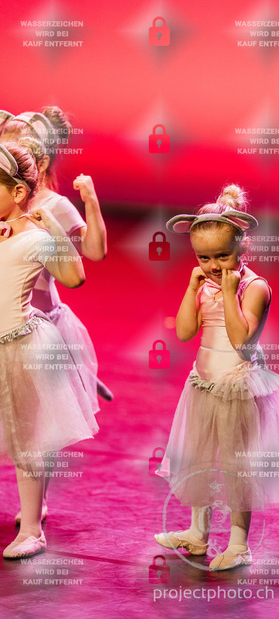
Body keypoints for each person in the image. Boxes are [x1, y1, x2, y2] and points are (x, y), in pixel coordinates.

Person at [154, 184, 279, 571]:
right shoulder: (204, 283)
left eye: (222, 256)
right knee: (199, 458)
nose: (213, 266)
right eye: (203, 257)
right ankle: (198, 533)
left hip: (237, 387)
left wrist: (228, 294)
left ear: (243, 248)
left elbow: (242, 342)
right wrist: (192, 288)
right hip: (203, 383)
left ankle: (239, 544)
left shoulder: (255, 288)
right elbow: (185, 332)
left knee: (237, 467)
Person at [1, 108, 111, 524]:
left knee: (37, 422)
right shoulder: (6, 204)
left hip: (40, 323)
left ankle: (35, 508)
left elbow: (92, 254)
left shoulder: (52, 205)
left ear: (40, 161)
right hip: (9, 320)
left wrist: (90, 201)